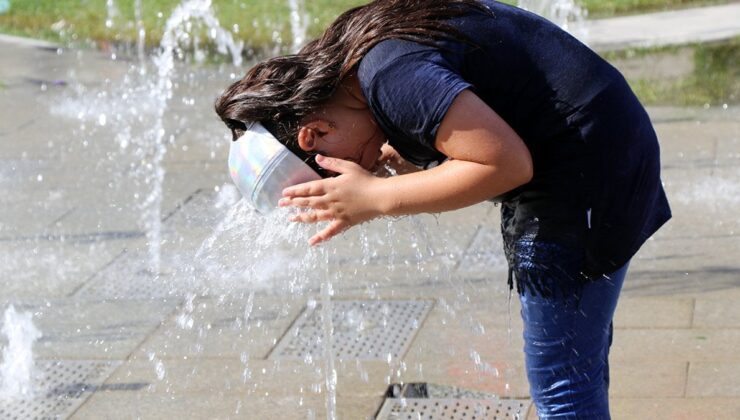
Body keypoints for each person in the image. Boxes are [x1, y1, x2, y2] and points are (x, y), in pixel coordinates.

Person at [214, 0, 671, 418]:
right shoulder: (358, 53)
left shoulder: (391, 78)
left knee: (561, 383)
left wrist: (375, 198)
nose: (363, 173)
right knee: (577, 357)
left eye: (337, 177)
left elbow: (506, 163)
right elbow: (481, 107)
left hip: (586, 167)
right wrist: (417, 150)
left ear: (313, 134)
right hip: (601, 137)